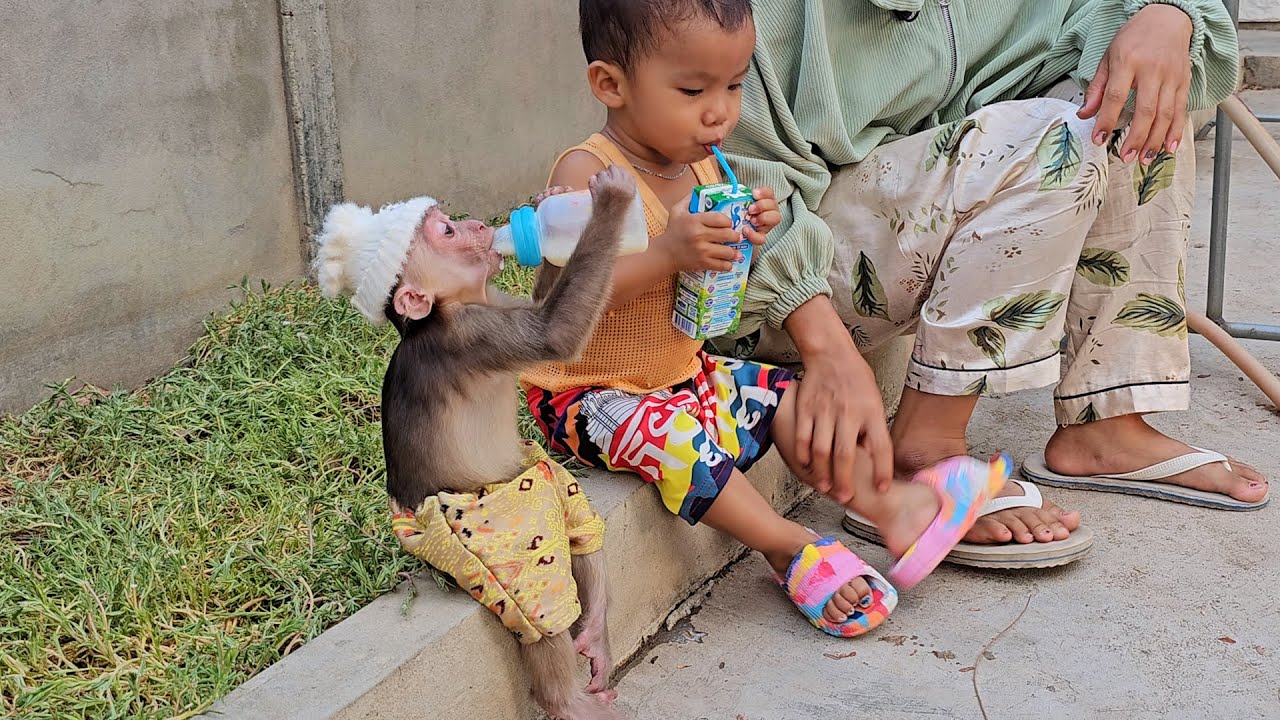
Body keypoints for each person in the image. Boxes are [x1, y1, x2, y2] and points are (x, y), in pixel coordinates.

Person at [713, 0, 1269, 568]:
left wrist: (1168, 16)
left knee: (1134, 88)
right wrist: (825, 347)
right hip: (759, 286)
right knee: (1049, 137)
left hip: (894, 241)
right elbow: (726, 181)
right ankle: (923, 453)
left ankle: (1103, 422)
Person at [521, 0, 1011, 638]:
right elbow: (566, 300)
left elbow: (712, 271)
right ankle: (786, 546)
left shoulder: (701, 164)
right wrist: (670, 249)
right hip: (589, 394)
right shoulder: (589, 175)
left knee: (788, 397)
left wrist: (749, 236)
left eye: (734, 85)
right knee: (676, 443)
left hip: (681, 374)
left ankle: (892, 505)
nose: (720, 110)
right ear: (610, 84)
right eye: (693, 89)